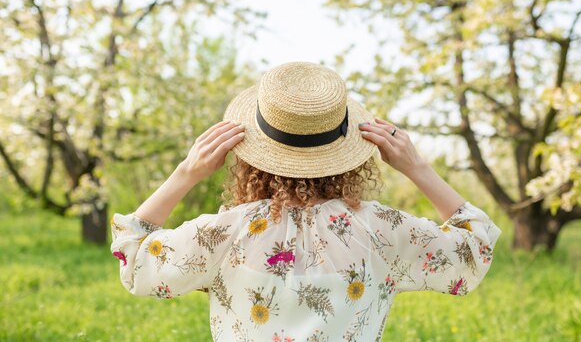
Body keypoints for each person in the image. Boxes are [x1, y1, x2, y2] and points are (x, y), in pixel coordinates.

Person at [110, 61, 502, 342]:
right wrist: (417, 167)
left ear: (249, 154)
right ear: (349, 151)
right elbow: (473, 252)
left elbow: (134, 260)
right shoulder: (379, 229)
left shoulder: (226, 232)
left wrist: (187, 172)